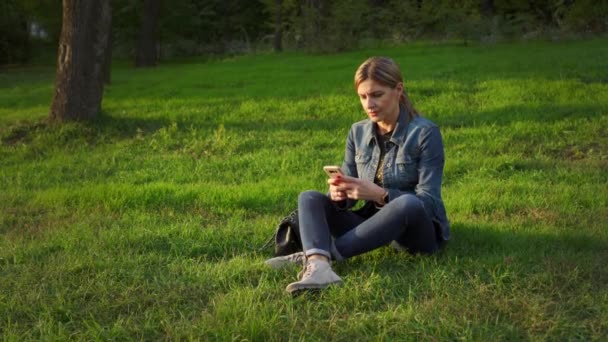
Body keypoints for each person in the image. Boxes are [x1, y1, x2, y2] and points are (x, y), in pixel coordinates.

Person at [265, 56, 450, 295]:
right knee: (309, 197)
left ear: (398, 90)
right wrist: (340, 193)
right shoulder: (358, 131)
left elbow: (429, 201)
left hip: (416, 233)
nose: (369, 104)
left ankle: (317, 256)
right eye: (363, 97)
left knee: (407, 203)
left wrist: (382, 195)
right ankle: (319, 266)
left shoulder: (425, 133)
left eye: (377, 95)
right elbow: (349, 193)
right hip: (372, 222)